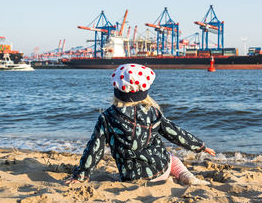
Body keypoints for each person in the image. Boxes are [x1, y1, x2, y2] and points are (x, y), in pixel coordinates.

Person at [66, 63, 215, 186]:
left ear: (117, 89)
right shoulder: (153, 112)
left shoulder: (106, 117)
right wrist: (200, 146)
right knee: (172, 158)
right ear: (145, 91)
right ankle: (187, 177)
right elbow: (175, 133)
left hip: (129, 177)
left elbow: (94, 149)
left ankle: (179, 177)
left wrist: (80, 175)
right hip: (159, 171)